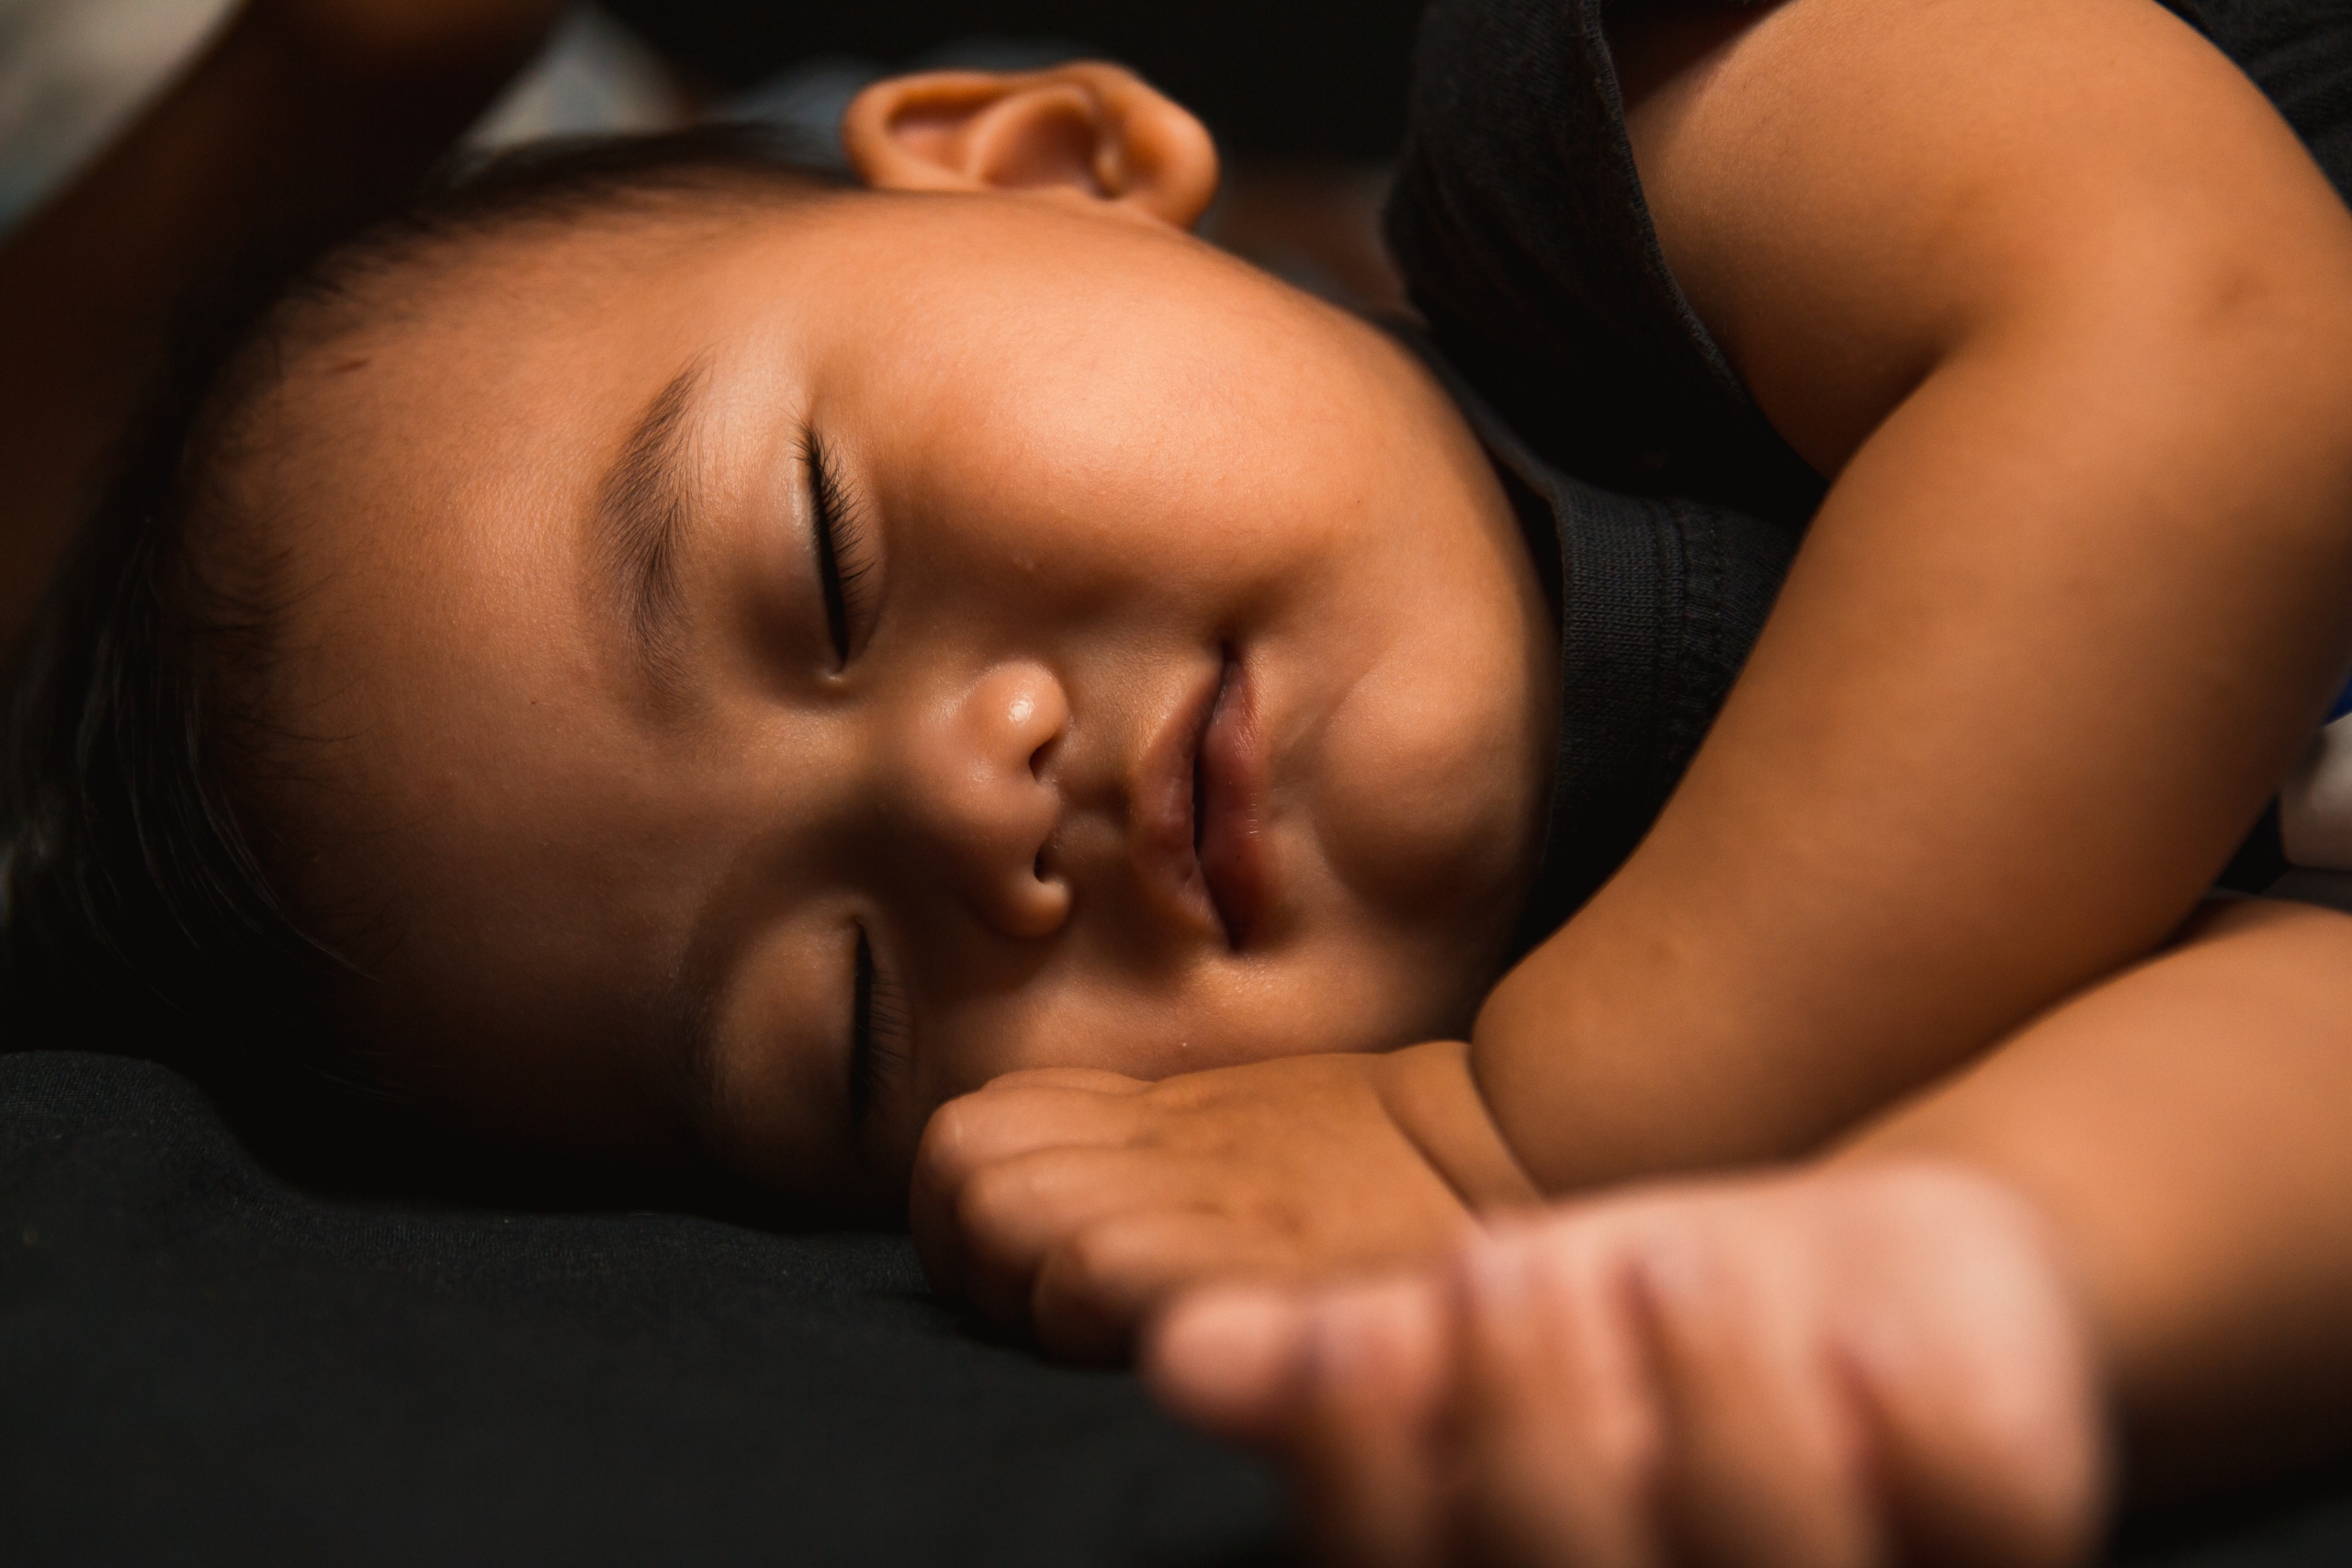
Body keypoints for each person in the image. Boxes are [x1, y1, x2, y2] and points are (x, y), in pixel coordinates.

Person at [5, 1, 2352, 1560]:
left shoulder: (1629, 133)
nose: (963, 800)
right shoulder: (1721, 1036)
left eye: (822, 560)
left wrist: (1530, 1133)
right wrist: (1945, 1253)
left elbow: (2212, 343)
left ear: (1040, 158)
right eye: (842, 1017)